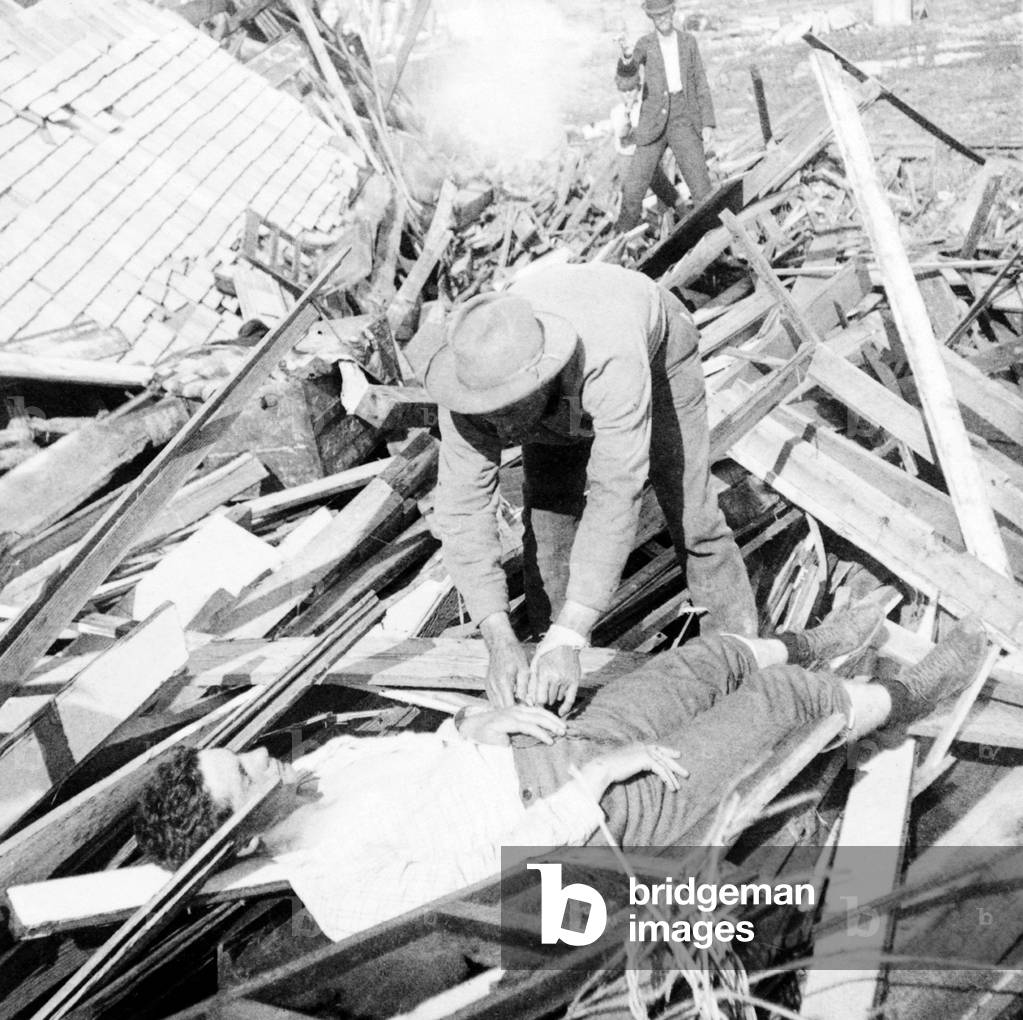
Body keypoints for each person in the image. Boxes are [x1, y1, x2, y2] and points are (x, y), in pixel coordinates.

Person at [135, 609, 989, 943]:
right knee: (776, 702)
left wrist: (480, 720)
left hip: (553, 749)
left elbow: (444, 748)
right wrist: (596, 778)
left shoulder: (316, 767)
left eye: (236, 748)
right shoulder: (341, 886)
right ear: (239, 831)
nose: (258, 754)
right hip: (591, 818)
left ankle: (822, 638)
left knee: (710, 660)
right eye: (242, 772)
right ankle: (912, 690)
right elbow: (492, 872)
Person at [417, 261, 757, 713]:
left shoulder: (610, 360)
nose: (496, 425)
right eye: (486, 411)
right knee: (551, 512)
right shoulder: (468, 386)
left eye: (505, 410)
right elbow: (462, 513)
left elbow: (615, 493)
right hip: (561, 388)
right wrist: (497, 637)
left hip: (655, 353)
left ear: (541, 379)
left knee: (689, 511)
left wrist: (573, 633)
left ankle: (738, 658)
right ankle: (547, 662)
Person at [615, 0, 716, 233]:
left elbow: (701, 81)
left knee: (701, 189)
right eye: (656, 16)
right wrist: (627, 59)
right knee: (633, 190)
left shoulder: (689, 42)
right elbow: (626, 82)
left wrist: (708, 122)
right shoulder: (644, 44)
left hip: (684, 119)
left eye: (665, 14)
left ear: (673, 11)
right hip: (652, 123)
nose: (662, 19)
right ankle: (619, 247)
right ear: (650, 18)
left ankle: (714, 247)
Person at [610, 85, 681, 219]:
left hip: (646, 157)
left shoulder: (644, 108)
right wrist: (628, 113)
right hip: (627, 161)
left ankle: (678, 220)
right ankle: (632, 233)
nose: (627, 94)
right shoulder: (617, 112)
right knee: (631, 201)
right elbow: (623, 136)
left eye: (631, 90)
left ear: (638, 89)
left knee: (668, 194)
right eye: (623, 91)